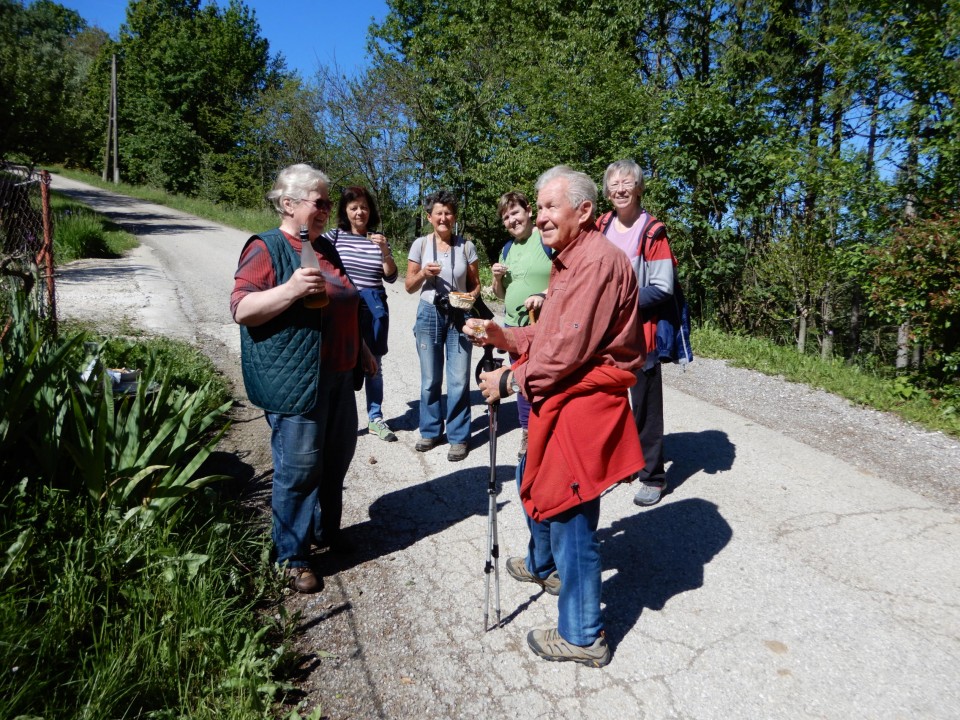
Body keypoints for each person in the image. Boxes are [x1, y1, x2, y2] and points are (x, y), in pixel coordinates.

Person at [468, 165, 645, 667]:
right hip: (565, 401)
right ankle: (564, 593)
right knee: (559, 506)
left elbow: (565, 353)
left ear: (584, 211)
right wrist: (505, 337)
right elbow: (552, 337)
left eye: (549, 207)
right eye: (540, 207)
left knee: (571, 518)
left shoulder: (596, 263)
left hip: (581, 408)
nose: (540, 217)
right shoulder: (569, 260)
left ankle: (585, 635)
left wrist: (508, 380)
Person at [231, 163, 374, 594]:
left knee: (334, 463)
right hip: (297, 380)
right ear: (289, 204)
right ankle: (291, 556)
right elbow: (241, 308)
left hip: (338, 375)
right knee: (299, 469)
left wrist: (363, 348)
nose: (329, 209)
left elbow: (345, 299)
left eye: (330, 202)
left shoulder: (323, 247)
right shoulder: (267, 246)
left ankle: (323, 532)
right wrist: (290, 289)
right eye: (321, 201)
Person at [597, 158, 678, 507]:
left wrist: (619, 301)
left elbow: (663, 287)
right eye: (614, 184)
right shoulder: (600, 226)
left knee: (645, 407)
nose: (620, 189)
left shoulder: (653, 231)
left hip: (640, 335)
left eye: (627, 182)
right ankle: (622, 464)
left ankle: (653, 476)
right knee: (609, 402)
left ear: (639, 187)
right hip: (604, 336)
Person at [405, 190, 481, 462]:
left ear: (455, 217)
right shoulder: (421, 245)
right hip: (429, 313)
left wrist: (469, 298)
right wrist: (424, 273)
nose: (444, 217)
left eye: (448, 212)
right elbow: (409, 286)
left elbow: (475, 285)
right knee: (430, 379)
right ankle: (431, 430)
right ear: (429, 217)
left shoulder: (466, 247)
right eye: (439, 212)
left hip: (459, 315)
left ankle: (459, 437)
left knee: (459, 379)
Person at [324, 187, 399, 443]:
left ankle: (375, 418)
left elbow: (391, 276)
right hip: (344, 307)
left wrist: (385, 250)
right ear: (345, 211)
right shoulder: (333, 237)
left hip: (374, 306)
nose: (360, 212)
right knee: (343, 362)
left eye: (364, 207)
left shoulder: (377, 239)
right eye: (354, 207)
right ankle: (339, 420)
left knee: (374, 364)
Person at [491, 191, 552, 460]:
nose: (512, 220)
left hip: (542, 326)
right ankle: (528, 433)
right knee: (520, 381)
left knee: (545, 381)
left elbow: (570, 276)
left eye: (515, 212)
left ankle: (549, 431)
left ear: (529, 210)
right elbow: (502, 295)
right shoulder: (507, 249)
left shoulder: (548, 238)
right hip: (514, 328)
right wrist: (495, 279)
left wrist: (544, 295)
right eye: (506, 217)